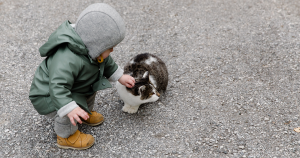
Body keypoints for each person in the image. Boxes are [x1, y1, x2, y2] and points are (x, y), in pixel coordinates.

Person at [29, 3, 135, 150]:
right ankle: (66, 136)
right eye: (109, 46)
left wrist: (119, 76)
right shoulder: (66, 59)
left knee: (90, 88)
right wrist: (70, 108)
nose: (112, 49)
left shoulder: (93, 50)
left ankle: (84, 113)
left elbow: (106, 62)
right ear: (95, 43)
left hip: (74, 86)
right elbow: (57, 87)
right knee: (68, 110)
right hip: (48, 95)